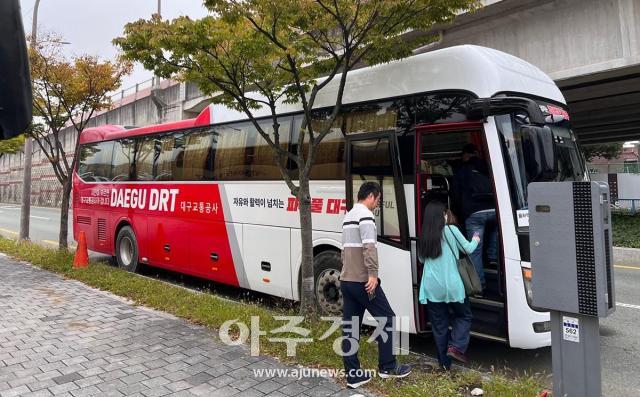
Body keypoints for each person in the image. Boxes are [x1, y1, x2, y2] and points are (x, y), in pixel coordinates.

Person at [340, 181, 411, 388]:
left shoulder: (348, 215)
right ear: (371, 196)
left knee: (350, 327)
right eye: (378, 199)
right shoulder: (366, 216)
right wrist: (373, 275)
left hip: (347, 280)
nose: (377, 204)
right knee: (387, 319)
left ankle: (353, 375)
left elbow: (344, 251)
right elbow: (369, 247)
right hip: (363, 282)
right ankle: (388, 367)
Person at [418, 200, 480, 369]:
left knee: (439, 327)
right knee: (463, 316)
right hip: (452, 285)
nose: (446, 215)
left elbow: (421, 259)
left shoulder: (424, 234)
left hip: (432, 287)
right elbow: (467, 248)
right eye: (445, 213)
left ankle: (444, 365)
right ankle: (456, 346)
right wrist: (476, 238)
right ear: (442, 215)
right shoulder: (451, 230)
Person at [452, 143, 497, 291]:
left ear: (466, 155)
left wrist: (459, 213)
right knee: (494, 230)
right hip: (494, 211)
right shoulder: (489, 166)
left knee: (475, 250)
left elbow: (456, 194)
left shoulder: (463, 170)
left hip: (475, 214)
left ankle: (479, 286)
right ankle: (493, 258)